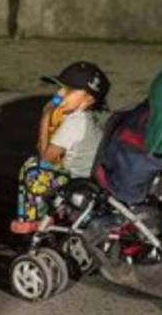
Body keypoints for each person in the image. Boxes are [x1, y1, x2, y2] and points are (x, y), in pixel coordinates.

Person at [10, 62, 110, 234]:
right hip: (87, 177)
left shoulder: (76, 123)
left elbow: (45, 156)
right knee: (43, 168)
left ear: (89, 99)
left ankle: (32, 220)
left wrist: (46, 115)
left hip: (80, 182)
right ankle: (53, 213)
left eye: (70, 91)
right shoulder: (84, 118)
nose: (60, 94)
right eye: (61, 89)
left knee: (32, 168)